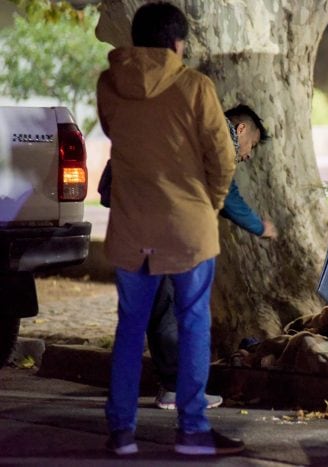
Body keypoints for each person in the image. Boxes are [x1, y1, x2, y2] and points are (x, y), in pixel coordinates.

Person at [97, 2, 243, 456]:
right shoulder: (195, 86)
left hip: (130, 224)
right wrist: (208, 205)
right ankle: (193, 431)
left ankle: (121, 432)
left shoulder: (109, 84)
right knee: (193, 325)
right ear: (177, 43)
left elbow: (113, 133)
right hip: (188, 228)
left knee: (129, 329)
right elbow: (222, 160)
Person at [148, 104, 276, 410]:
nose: (247, 155)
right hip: (170, 227)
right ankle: (180, 389)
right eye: (251, 146)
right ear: (241, 129)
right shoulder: (218, 136)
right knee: (181, 307)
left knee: (160, 305)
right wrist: (261, 227)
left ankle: (171, 385)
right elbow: (228, 196)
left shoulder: (187, 126)